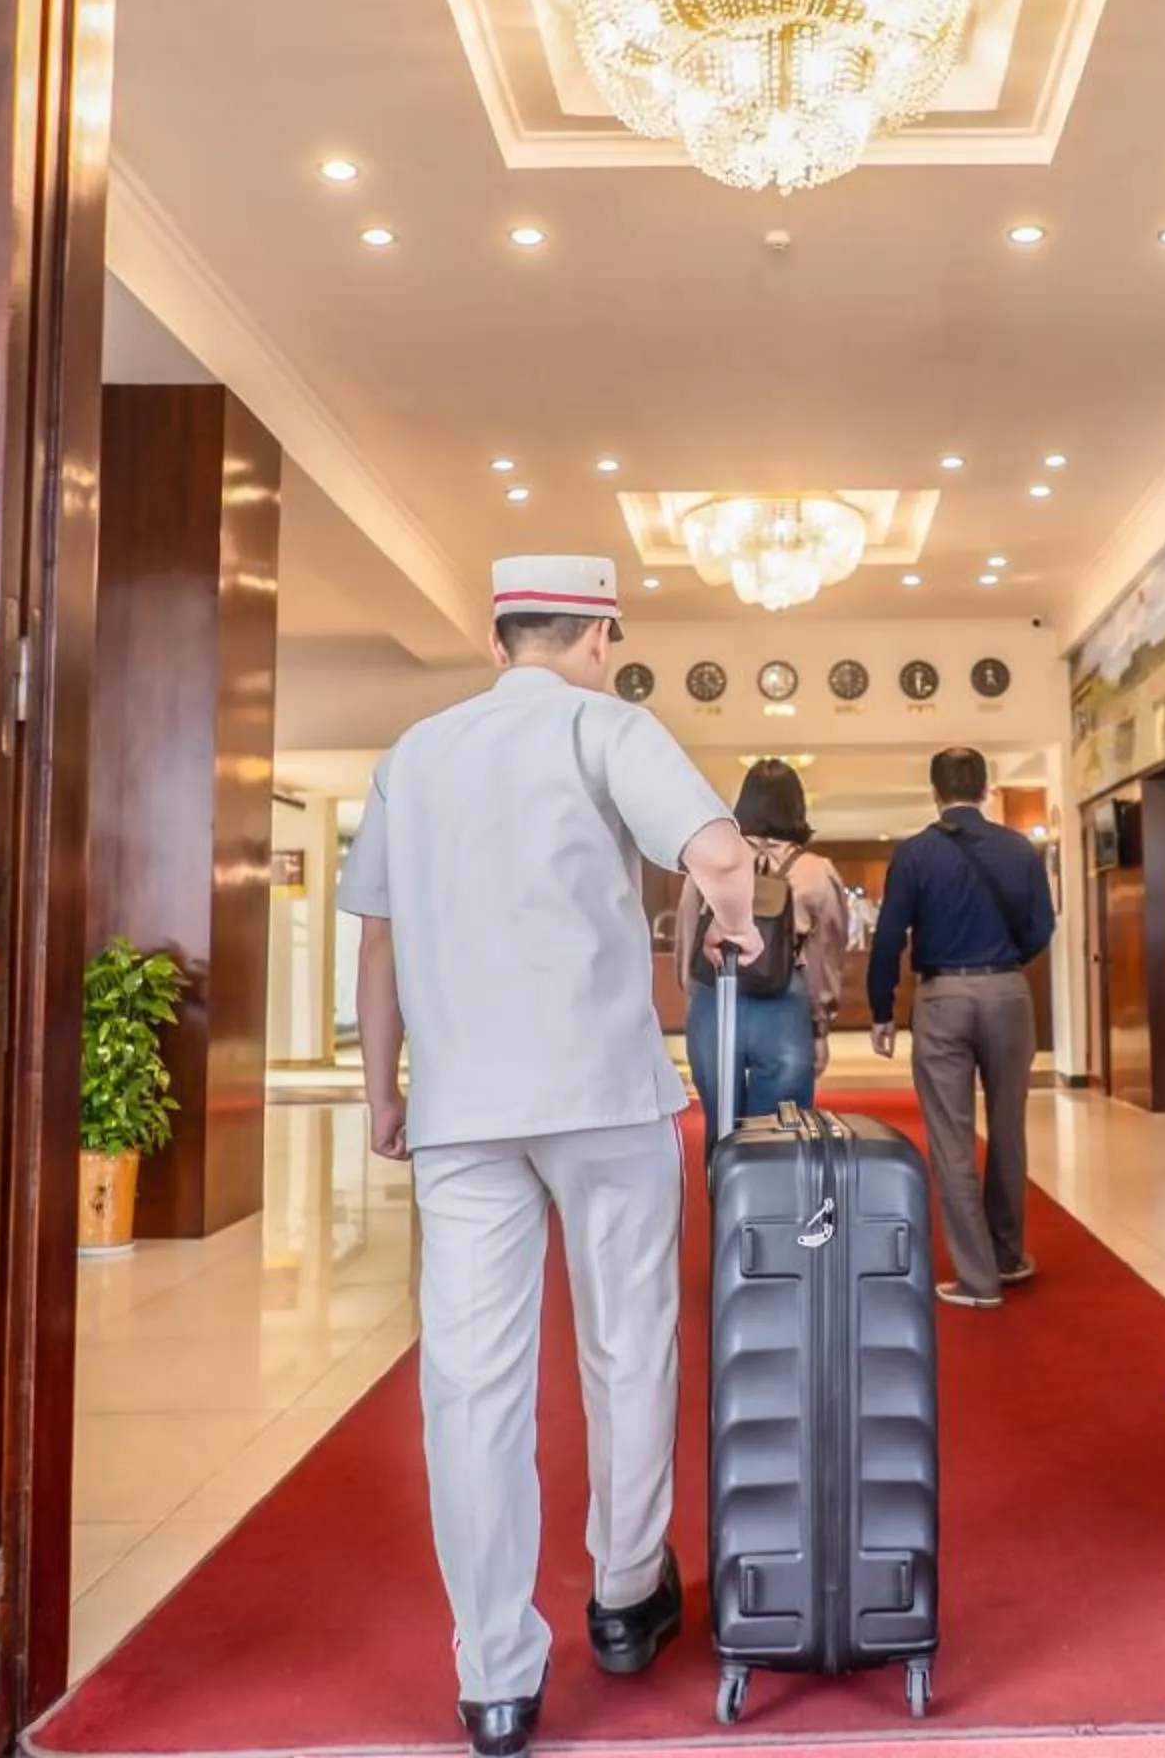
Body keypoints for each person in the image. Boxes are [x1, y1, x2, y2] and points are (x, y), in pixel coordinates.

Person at [338, 556, 762, 1758]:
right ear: (599, 635)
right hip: (603, 1092)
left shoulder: (415, 752)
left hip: (463, 1105)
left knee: (471, 1378)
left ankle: (494, 1675)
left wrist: (384, 1091)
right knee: (627, 1339)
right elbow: (720, 854)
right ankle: (627, 1593)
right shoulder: (605, 723)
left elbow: (377, 946)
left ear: (496, 633)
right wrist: (734, 927)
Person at [867, 747, 1055, 1311]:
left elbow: (889, 937)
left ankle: (978, 1279)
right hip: (1007, 993)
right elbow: (1041, 925)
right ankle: (1008, 1255)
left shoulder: (916, 854)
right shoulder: (1020, 849)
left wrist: (882, 1010)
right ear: (986, 788)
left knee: (951, 1140)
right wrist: (1003, 964)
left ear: (934, 792)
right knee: (1008, 1128)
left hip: (943, 996)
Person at [671, 758, 849, 1128]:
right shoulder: (816, 871)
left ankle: (723, 1186)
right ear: (797, 807)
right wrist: (820, 1025)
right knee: (779, 1132)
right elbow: (827, 954)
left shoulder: (713, 860)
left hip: (715, 996)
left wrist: (694, 993)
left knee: (721, 1129)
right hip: (784, 1001)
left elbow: (688, 936)